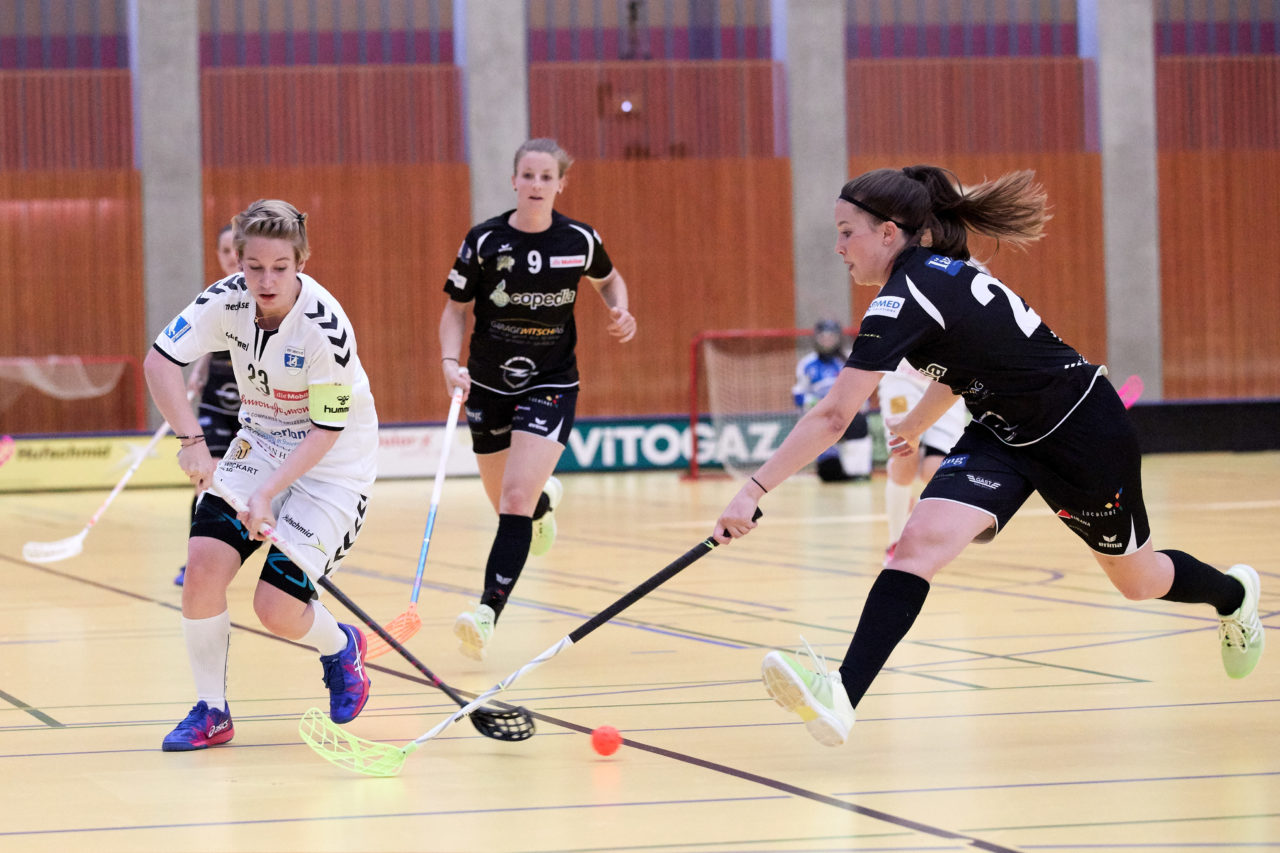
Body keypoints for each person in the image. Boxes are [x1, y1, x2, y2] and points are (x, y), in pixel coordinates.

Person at [714, 165, 1264, 747]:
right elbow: (964, 364)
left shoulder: (908, 295)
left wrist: (753, 490)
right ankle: (842, 697)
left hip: (1081, 431)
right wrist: (917, 423)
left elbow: (832, 416)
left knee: (1140, 581)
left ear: (888, 233)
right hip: (1000, 433)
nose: (838, 247)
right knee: (918, 543)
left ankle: (1234, 595)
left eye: (848, 232)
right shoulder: (937, 278)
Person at [144, 199, 379, 750]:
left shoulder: (326, 329)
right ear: (239, 262)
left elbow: (326, 430)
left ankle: (340, 646)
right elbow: (161, 362)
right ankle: (212, 711)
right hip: (261, 442)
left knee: (275, 608)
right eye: (254, 267)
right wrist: (192, 444)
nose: (266, 281)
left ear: (301, 261)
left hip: (333, 466)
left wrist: (267, 496)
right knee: (202, 571)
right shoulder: (224, 300)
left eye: (280, 267)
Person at [440, 138, 636, 661]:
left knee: (513, 502)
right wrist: (446, 364)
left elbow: (610, 281)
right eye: (527, 175)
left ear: (560, 184)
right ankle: (546, 506)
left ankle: (486, 614)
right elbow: (455, 310)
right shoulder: (484, 241)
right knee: (508, 503)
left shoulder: (579, 239)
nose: (535, 185)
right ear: (513, 180)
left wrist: (621, 310)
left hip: (550, 381)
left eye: (546, 177)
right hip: (486, 384)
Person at [174, 223, 242, 586]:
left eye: (236, 249)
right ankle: (195, 562)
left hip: (255, 407)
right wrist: (198, 371)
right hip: (216, 398)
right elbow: (206, 343)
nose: (232, 257)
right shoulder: (215, 296)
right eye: (224, 251)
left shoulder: (264, 294)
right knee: (207, 480)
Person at [877, 359, 966, 566]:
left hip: (948, 380)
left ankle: (913, 509)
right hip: (903, 376)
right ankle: (896, 542)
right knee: (904, 457)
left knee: (935, 470)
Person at [793, 319, 871, 481]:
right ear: (816, 338)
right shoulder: (807, 364)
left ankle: (859, 471)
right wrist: (817, 403)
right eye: (823, 336)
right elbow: (798, 395)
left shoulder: (850, 358)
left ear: (838, 338)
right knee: (829, 473)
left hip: (849, 415)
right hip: (821, 418)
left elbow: (863, 389)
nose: (827, 340)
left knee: (860, 422)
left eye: (831, 336)